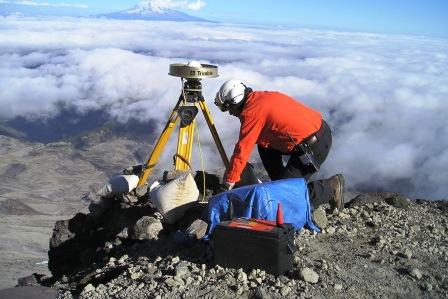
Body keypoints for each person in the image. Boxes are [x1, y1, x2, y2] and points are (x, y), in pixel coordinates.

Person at [214, 79, 345, 210]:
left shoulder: (252, 112)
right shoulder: (259, 98)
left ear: (235, 101)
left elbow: (242, 149)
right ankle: (280, 184)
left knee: (283, 198)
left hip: (314, 147)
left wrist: (228, 183)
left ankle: (330, 187)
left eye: (228, 108)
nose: (230, 113)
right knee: (264, 146)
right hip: (317, 134)